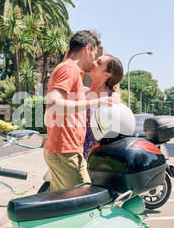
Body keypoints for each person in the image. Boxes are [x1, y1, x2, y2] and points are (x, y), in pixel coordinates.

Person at [44, 30, 120, 191]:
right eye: (94, 54)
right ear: (87, 49)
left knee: (64, 205)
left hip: (65, 150)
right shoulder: (70, 69)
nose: (93, 61)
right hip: (66, 152)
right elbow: (54, 105)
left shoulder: (70, 70)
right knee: (86, 202)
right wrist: (97, 102)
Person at [83, 54, 124, 159]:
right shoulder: (82, 92)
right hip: (77, 156)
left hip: (100, 161)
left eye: (99, 63)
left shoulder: (113, 100)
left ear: (107, 75)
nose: (93, 63)